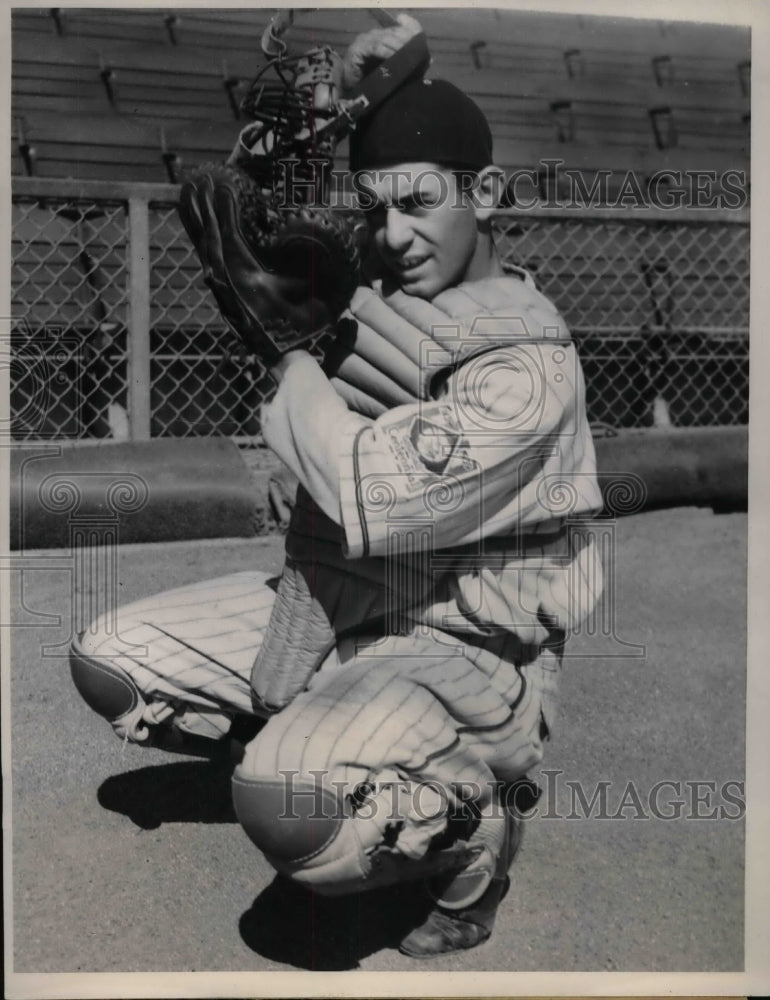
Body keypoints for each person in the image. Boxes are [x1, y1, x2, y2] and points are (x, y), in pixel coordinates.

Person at [70, 17, 603, 958]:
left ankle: (476, 823)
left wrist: (293, 361)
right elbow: (232, 200)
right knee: (114, 662)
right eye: (375, 207)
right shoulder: (396, 276)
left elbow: (364, 491)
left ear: (486, 196)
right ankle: (328, 750)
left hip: (466, 646)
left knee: (285, 804)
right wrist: (353, 90)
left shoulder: (525, 367)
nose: (392, 236)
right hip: (342, 604)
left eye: (421, 206)